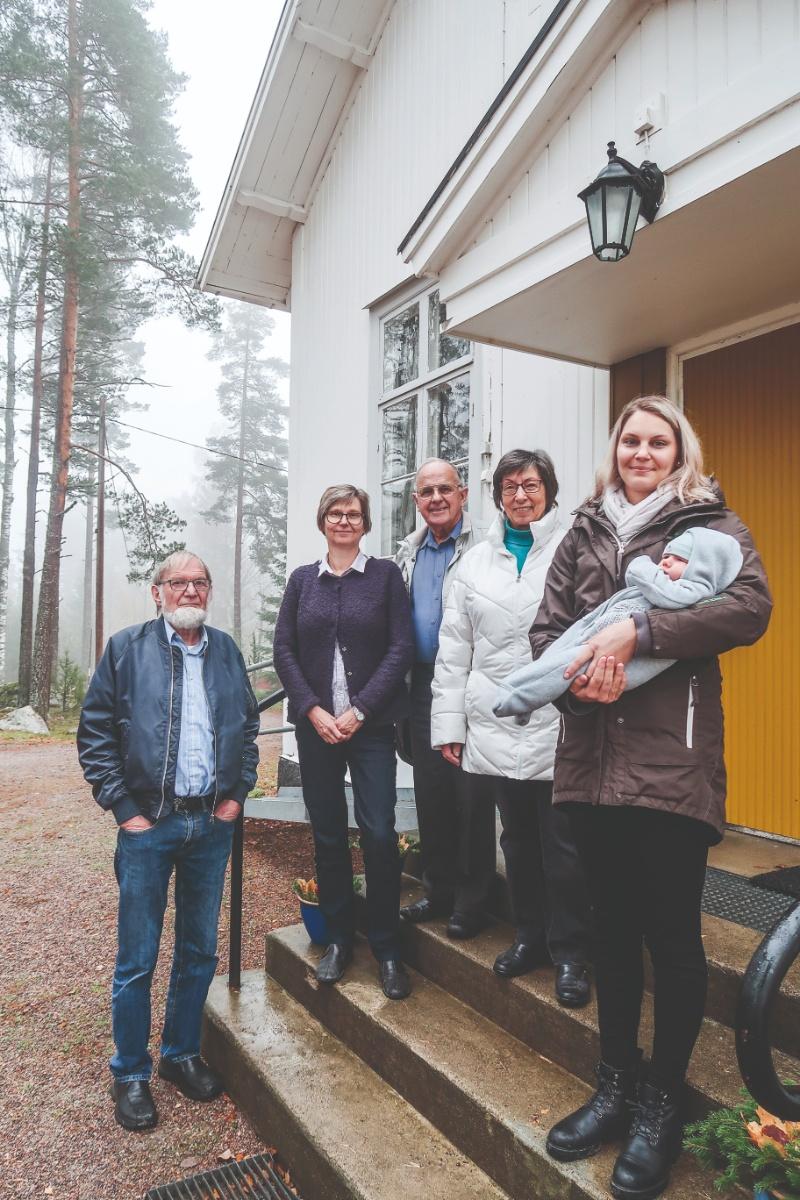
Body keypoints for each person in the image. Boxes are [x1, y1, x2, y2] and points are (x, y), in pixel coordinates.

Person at [537, 397, 771, 1200]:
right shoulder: (586, 529)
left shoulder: (710, 522)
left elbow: (750, 608)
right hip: (592, 762)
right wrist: (577, 682)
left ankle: (661, 1107)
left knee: (672, 939)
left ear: (679, 451)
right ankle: (614, 1085)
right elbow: (548, 633)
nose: (641, 451)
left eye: (656, 441)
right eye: (630, 440)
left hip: (671, 767)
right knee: (611, 933)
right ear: (616, 450)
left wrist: (643, 635)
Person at [77, 551, 260, 1132]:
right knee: (137, 958)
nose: (189, 590)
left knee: (200, 949)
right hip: (149, 827)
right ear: (157, 593)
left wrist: (237, 794)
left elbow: (248, 726)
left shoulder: (225, 650)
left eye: (199, 582)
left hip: (210, 824)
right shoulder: (126, 649)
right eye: (177, 582)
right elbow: (96, 731)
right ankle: (130, 1072)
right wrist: (123, 808)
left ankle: (181, 1053)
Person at [430, 449, 593, 1005]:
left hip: (559, 722)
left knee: (564, 845)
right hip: (495, 721)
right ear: (497, 495)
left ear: (549, 488)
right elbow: (454, 652)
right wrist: (449, 726)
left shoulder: (577, 548)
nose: (520, 496)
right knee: (517, 840)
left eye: (530, 485)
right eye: (509, 487)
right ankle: (530, 937)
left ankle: (571, 950)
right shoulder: (474, 563)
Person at [273, 485, 414, 999]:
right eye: (335, 512)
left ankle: (387, 946)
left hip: (370, 727)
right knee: (328, 832)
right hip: (316, 729)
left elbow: (401, 648)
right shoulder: (302, 581)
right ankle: (337, 938)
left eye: (353, 513)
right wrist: (312, 709)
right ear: (322, 520)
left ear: (365, 522)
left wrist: (359, 710)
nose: (344, 520)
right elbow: (283, 650)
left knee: (378, 833)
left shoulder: (384, 577)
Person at [494, 526, 743, 718]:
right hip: (598, 636)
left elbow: (746, 609)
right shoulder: (582, 531)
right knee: (554, 658)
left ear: (701, 568)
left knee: (563, 668)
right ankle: (523, 704)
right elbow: (548, 626)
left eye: (678, 559)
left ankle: (515, 697)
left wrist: (642, 566)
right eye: (665, 555)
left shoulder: (691, 589)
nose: (665, 561)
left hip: (618, 659)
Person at [393, 458, 475, 925]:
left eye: (446, 489)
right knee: (431, 793)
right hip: (421, 685)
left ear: (462, 494)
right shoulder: (407, 553)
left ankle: (471, 899)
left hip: (470, 683)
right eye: (427, 492)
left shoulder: (483, 546)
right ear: (416, 501)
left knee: (471, 795)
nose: (437, 498)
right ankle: (438, 892)